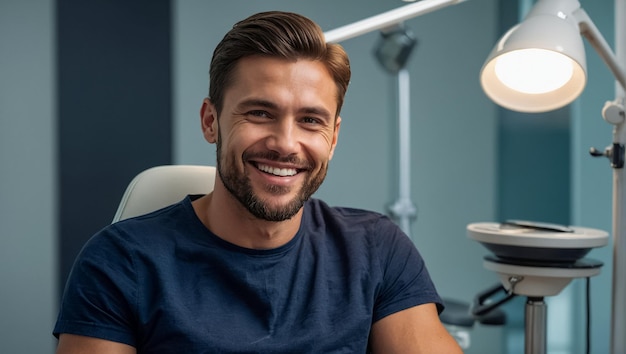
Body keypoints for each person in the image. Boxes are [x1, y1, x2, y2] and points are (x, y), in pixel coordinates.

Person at [53, 11, 463, 354]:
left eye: (310, 120)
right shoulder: (120, 263)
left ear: (333, 137)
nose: (286, 144)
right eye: (260, 113)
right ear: (211, 121)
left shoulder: (377, 250)